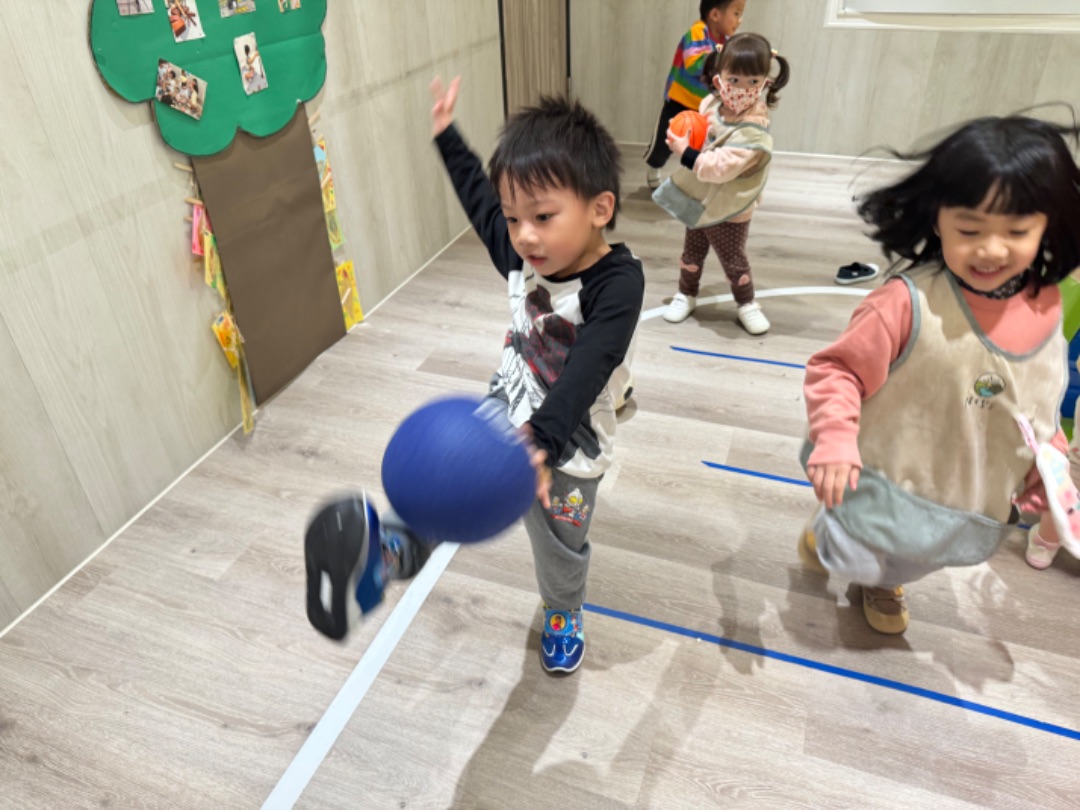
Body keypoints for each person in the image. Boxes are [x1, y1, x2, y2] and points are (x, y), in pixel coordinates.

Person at [306, 78, 644, 675]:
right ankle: (390, 552)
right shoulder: (521, 253)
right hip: (506, 403)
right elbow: (479, 201)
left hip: (571, 437)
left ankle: (562, 610)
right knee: (452, 480)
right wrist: (447, 137)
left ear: (600, 208)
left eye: (543, 216)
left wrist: (542, 442)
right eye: (515, 219)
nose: (524, 235)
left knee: (560, 538)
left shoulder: (617, 284)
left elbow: (592, 363)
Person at [800, 114, 1080, 634]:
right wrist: (835, 437)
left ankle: (887, 574)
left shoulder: (1046, 310)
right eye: (969, 229)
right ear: (937, 221)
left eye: (1017, 231)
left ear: (1048, 225)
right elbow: (836, 369)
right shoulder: (904, 304)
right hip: (885, 469)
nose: (991, 249)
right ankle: (846, 544)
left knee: (923, 555)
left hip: (962, 487)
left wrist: (1045, 467)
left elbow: (1038, 401)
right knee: (866, 547)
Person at [654, 32, 789, 333]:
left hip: (730, 209)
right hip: (700, 198)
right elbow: (702, 133)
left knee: (734, 260)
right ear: (720, 77)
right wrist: (686, 132)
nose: (741, 89)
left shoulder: (754, 130)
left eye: (753, 81)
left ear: (765, 83)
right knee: (691, 253)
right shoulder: (711, 104)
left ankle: (746, 302)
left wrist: (686, 153)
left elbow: (720, 168)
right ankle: (686, 293)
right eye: (734, 79)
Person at [643, 0, 747, 190]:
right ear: (715, 15)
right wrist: (723, 58)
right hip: (679, 101)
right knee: (665, 141)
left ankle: (696, 178)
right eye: (736, 14)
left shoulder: (726, 42)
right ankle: (654, 167)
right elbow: (693, 64)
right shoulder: (698, 32)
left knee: (702, 144)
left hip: (705, 106)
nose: (739, 20)